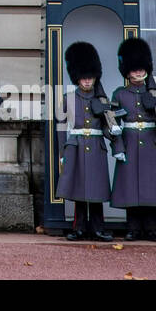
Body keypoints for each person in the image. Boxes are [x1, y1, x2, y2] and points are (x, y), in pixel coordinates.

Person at [109, 36, 156, 241]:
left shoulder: (154, 92)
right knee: (131, 189)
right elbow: (113, 124)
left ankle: (150, 228)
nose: (138, 72)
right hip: (129, 143)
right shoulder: (120, 94)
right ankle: (133, 228)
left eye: (140, 68)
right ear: (127, 72)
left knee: (150, 189)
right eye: (134, 69)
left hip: (150, 144)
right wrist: (118, 147)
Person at [55, 41, 118, 242]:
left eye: (90, 77)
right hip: (77, 146)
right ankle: (80, 227)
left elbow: (108, 126)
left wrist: (114, 133)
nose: (87, 81)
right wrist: (62, 153)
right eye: (83, 77)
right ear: (77, 77)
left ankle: (98, 227)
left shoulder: (102, 99)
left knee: (97, 190)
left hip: (97, 146)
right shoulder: (69, 98)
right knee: (80, 191)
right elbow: (61, 127)